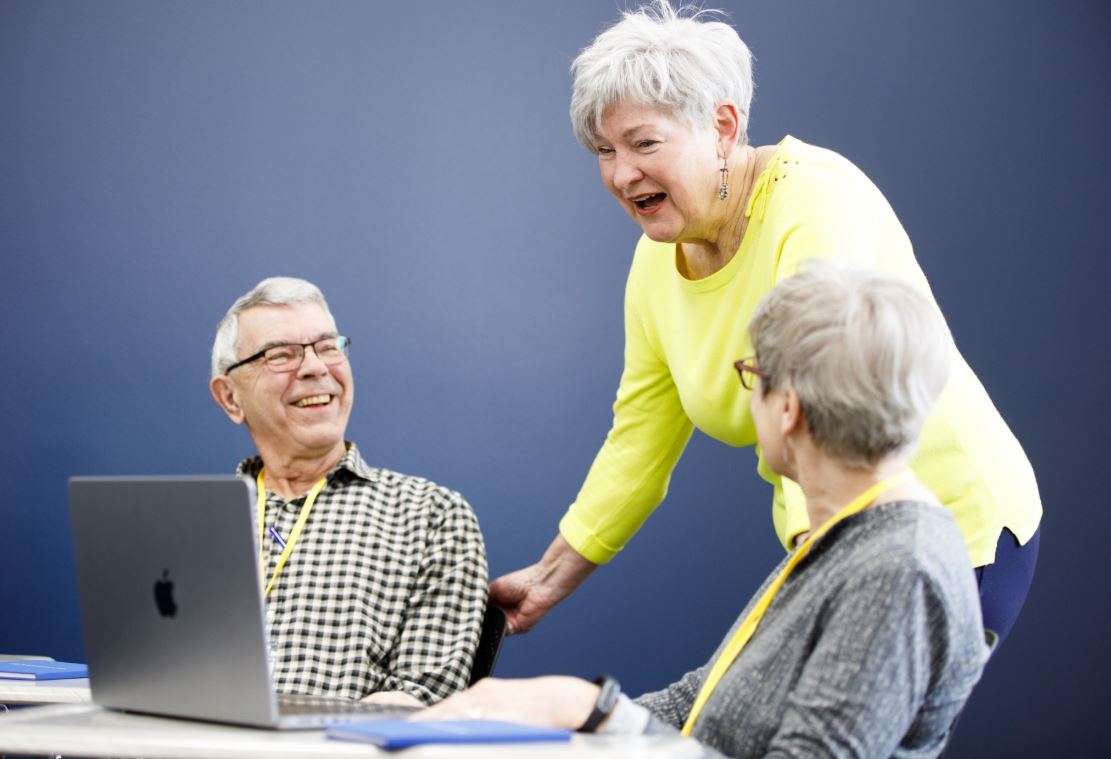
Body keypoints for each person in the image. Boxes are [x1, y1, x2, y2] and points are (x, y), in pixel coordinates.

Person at [491, 0, 1041, 643]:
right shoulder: (654, 264)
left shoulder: (815, 200)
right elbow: (639, 436)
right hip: (833, 538)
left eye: (643, 143)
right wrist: (550, 575)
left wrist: (813, 578)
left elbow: (817, 403)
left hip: (947, 527)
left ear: (724, 127)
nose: (621, 173)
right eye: (604, 150)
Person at [421, 265, 991, 758]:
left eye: (752, 376)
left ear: (786, 409)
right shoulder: (849, 534)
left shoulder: (897, 568)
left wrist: (588, 709)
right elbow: (709, 698)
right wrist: (554, 719)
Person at [208, 276, 488, 706]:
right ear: (230, 398)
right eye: (281, 355)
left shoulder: (431, 517)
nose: (315, 367)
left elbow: (422, 702)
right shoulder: (196, 524)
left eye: (327, 346)